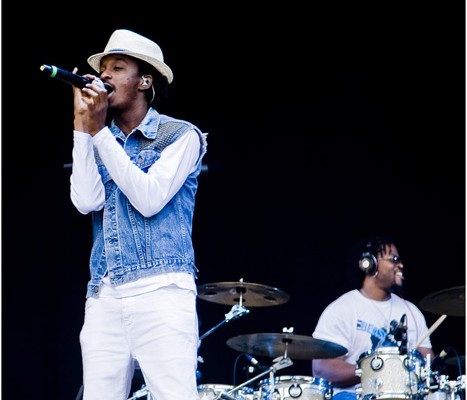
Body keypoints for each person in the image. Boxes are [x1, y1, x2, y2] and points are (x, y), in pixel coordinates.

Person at [69, 28, 208, 400]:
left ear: (145, 80)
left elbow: (148, 198)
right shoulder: (100, 137)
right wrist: (83, 128)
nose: (105, 76)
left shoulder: (180, 136)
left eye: (117, 67)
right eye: (103, 70)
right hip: (104, 293)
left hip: (162, 289)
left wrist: (99, 134)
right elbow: (85, 201)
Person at [311, 234, 435, 400]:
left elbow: (430, 365)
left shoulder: (411, 311)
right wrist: (374, 370)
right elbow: (322, 368)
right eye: (394, 259)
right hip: (354, 395)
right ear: (369, 264)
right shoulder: (342, 309)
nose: (401, 265)